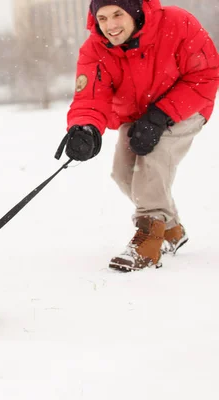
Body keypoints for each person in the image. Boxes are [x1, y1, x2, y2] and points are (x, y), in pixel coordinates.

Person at [55, 0, 219, 271]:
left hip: (186, 107)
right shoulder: (94, 50)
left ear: (135, 11)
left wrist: (160, 115)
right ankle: (171, 229)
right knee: (123, 173)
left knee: (151, 166)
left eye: (118, 14)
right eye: (103, 18)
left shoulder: (177, 24)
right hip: (135, 116)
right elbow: (90, 98)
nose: (110, 26)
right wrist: (85, 127)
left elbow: (205, 74)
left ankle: (147, 240)